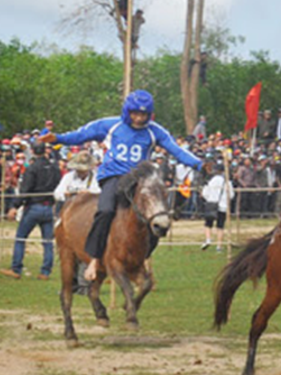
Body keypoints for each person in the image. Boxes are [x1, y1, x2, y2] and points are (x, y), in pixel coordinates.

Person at [39, 90, 203, 281]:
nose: (139, 118)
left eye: (143, 114)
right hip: (113, 176)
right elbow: (81, 135)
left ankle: (141, 256)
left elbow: (175, 149)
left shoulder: (155, 131)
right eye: (135, 113)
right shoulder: (110, 125)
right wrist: (57, 138)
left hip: (139, 180)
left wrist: (198, 163)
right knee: (106, 211)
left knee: (157, 216)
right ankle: (94, 258)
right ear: (127, 111)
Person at [0, 142, 61, 280]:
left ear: (33, 152)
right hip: (49, 207)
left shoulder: (32, 168)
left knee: (20, 238)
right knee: (47, 242)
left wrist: (15, 206)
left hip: (34, 207)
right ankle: (45, 272)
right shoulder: (55, 168)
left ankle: (16, 269)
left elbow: (25, 190)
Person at [53, 150, 101, 215]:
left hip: (89, 208)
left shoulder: (96, 177)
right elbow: (57, 192)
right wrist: (66, 195)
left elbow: (99, 192)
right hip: (70, 206)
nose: (81, 172)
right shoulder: (68, 176)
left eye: (83, 170)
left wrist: (88, 194)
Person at [201, 162, 234, 252]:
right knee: (220, 226)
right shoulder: (227, 182)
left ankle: (208, 239)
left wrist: (210, 199)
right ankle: (219, 246)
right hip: (223, 206)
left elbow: (205, 193)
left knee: (208, 224)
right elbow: (231, 195)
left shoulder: (211, 181)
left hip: (212, 204)